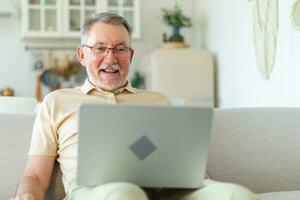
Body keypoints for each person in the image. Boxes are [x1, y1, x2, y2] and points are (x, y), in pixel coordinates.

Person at [13, 12, 258, 200]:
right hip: (96, 192)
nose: (111, 58)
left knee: (235, 195)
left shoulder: (159, 100)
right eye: (100, 48)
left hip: (166, 190)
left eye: (120, 49)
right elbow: (34, 174)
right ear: (82, 55)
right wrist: (26, 196)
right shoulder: (56, 101)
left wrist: (204, 180)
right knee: (125, 193)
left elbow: (184, 160)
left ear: (130, 55)